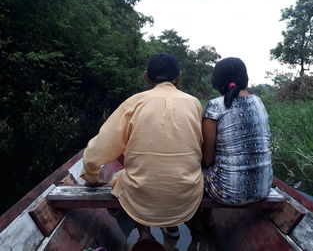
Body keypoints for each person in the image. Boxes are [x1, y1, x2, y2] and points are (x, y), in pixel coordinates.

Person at [80, 52, 204, 240]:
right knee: (172, 173)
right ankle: (172, 227)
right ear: (178, 77)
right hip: (186, 198)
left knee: (121, 178)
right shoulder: (194, 104)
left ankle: (144, 234)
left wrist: (91, 176)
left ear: (146, 76)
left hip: (141, 197)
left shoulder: (134, 102)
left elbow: (97, 150)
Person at [202, 57, 273, 206]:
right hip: (263, 190)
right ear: (244, 78)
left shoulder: (215, 106)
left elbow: (207, 160)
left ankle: (204, 222)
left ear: (217, 81)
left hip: (228, 193)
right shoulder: (259, 102)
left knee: (190, 175)